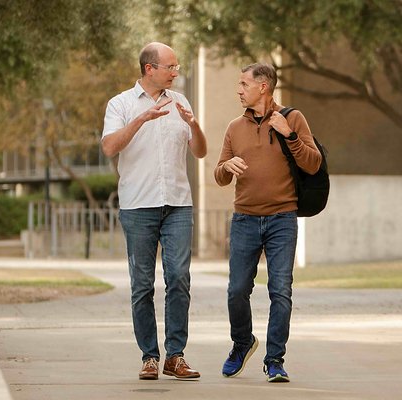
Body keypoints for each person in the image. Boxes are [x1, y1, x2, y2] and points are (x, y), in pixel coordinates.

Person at [102, 42, 207, 380]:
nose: (176, 72)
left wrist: (195, 125)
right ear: (150, 69)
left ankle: (175, 355)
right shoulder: (120, 104)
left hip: (178, 203)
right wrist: (142, 119)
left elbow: (200, 152)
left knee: (178, 278)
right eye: (170, 67)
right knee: (142, 285)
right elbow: (109, 147)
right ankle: (149, 356)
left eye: (176, 67)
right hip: (137, 205)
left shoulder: (181, 102)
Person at [214, 63, 321, 383]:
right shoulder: (234, 127)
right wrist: (226, 166)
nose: (238, 89)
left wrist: (289, 135)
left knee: (280, 291)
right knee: (236, 290)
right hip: (245, 219)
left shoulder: (293, 118)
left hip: (282, 219)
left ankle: (275, 359)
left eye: (244, 83)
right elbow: (218, 175)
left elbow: (313, 164)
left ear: (263, 87)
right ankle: (242, 343)